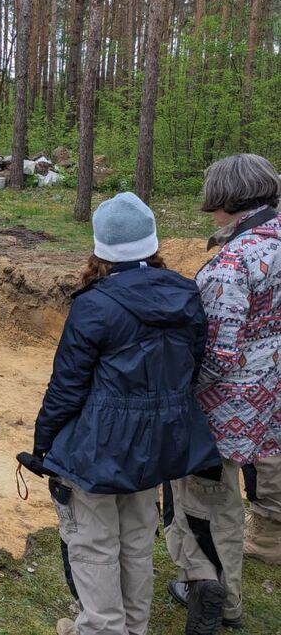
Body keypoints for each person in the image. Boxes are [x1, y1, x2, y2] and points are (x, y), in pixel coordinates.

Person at [33, 192, 220, 635]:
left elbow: (67, 386)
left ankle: (101, 628)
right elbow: (192, 366)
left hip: (99, 445)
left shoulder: (94, 305)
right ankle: (132, 627)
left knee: (94, 541)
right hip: (160, 442)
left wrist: (44, 443)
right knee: (137, 537)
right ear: (153, 241)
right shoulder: (186, 293)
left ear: (99, 247)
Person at [165, 154, 281, 634]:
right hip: (271, 396)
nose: (209, 209)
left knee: (207, 500)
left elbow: (216, 353)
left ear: (228, 199)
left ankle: (218, 594)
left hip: (226, 408)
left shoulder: (231, 265)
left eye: (212, 199)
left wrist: (179, 394)